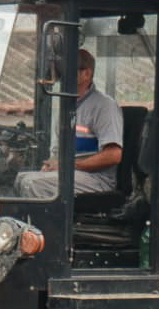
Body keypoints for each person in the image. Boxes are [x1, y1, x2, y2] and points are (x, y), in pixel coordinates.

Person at [16, 48, 124, 199]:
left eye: (67, 70)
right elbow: (58, 151)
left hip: (96, 179)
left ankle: (44, 223)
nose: (61, 77)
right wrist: (51, 165)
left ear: (86, 74)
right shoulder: (67, 105)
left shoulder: (104, 106)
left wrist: (67, 165)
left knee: (33, 183)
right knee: (20, 179)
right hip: (71, 172)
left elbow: (114, 155)